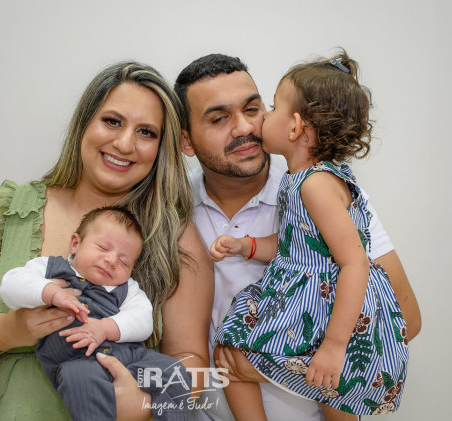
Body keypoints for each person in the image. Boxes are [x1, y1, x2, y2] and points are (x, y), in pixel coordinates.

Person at [0, 61, 214, 421]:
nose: (124, 143)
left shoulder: (174, 234)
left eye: (146, 132)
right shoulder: (12, 209)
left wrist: (141, 406)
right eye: (112, 121)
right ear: (84, 122)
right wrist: (9, 332)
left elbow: (190, 359)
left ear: (161, 148)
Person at [174, 53, 421, 421]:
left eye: (255, 108)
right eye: (219, 118)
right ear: (186, 141)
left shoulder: (324, 189)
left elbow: (404, 321)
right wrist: (248, 246)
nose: (245, 127)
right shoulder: (172, 210)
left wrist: (270, 367)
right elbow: (292, 243)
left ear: (293, 125)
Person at [0, 206, 190, 421]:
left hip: (132, 359)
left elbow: (144, 319)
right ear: (75, 243)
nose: (111, 261)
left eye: (124, 261)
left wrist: (105, 328)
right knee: (78, 380)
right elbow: (10, 285)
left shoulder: (127, 288)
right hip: (78, 361)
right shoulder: (51, 269)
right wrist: (51, 293)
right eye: (103, 248)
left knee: (173, 372)